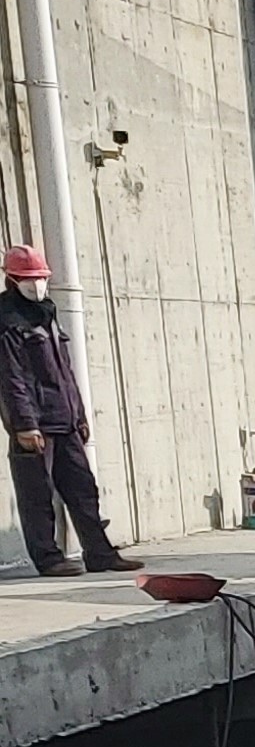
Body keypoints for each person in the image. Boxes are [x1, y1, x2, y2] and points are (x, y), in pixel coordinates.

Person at [1, 239, 123, 576]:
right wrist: (25, 424)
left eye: (41, 278)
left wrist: (78, 415)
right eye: (29, 279)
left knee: (83, 490)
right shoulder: (8, 321)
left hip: (64, 420)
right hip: (35, 425)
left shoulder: (47, 314)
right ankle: (49, 559)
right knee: (37, 496)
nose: (37, 284)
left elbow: (65, 372)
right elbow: (11, 378)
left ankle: (100, 554)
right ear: (12, 279)